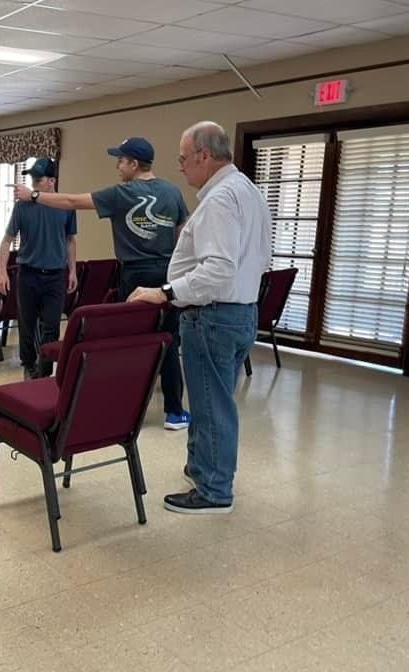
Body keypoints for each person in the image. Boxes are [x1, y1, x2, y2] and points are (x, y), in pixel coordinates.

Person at [129, 121, 271, 514]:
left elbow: (217, 270)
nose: (180, 167)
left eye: (183, 159)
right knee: (213, 399)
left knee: (211, 406)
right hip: (240, 312)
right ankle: (201, 468)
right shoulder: (247, 190)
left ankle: (214, 490)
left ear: (204, 156)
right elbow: (259, 257)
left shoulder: (220, 199)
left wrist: (166, 292)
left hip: (213, 316)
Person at [10, 137, 191, 429]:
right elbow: (183, 232)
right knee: (168, 340)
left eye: (121, 161)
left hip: (134, 275)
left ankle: (124, 407)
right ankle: (174, 411)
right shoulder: (172, 192)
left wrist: (33, 196)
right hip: (167, 274)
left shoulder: (122, 193)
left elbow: (72, 202)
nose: (118, 166)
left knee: (129, 343)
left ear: (134, 164)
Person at [0, 158, 77, 379]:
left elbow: (70, 240)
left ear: (52, 181)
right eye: (32, 178)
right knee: (27, 326)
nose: (33, 183)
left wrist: (72, 270)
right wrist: (2, 272)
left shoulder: (65, 206)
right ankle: (29, 365)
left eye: (38, 179)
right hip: (28, 274)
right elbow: (7, 241)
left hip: (55, 276)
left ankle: (45, 371)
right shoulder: (22, 206)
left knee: (51, 326)